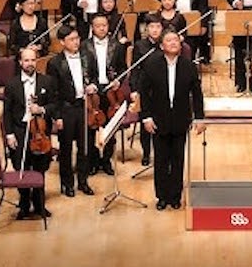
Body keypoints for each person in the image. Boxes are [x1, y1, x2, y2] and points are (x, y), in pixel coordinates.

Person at [140, 28, 205, 210]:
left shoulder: (188, 65)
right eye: (169, 40)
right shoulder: (152, 64)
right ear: (162, 46)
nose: (173, 43)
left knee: (178, 160)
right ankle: (162, 196)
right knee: (161, 160)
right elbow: (144, 93)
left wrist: (199, 117)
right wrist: (146, 117)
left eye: (176, 40)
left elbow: (197, 94)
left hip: (180, 118)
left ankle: (175, 196)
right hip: (158, 119)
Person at [2, 47, 58, 219]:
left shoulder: (47, 81)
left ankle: (40, 204)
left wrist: (41, 109)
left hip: (40, 132)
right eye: (26, 60)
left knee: (40, 168)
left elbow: (54, 105)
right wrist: (9, 134)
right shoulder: (12, 84)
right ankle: (24, 205)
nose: (30, 63)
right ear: (20, 62)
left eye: (33, 60)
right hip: (19, 130)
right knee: (22, 168)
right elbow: (7, 112)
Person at [49, 26, 98, 197]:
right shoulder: (54, 63)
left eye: (77, 38)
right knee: (66, 148)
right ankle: (67, 183)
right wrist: (57, 116)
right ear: (62, 42)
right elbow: (53, 93)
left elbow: (94, 76)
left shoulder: (87, 56)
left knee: (85, 147)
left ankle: (83, 181)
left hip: (84, 106)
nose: (76, 42)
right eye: (71, 39)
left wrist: (93, 85)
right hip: (66, 108)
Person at [85, 13, 126, 175]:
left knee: (110, 127)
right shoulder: (84, 46)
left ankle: (106, 160)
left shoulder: (117, 45)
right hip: (93, 92)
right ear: (92, 28)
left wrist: (118, 81)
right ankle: (93, 161)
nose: (102, 28)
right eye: (98, 26)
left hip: (111, 91)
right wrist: (89, 84)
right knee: (92, 127)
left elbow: (123, 68)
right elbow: (83, 69)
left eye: (104, 25)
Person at [131, 15, 164, 166]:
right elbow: (135, 69)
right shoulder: (140, 45)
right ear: (146, 29)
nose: (155, 30)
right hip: (145, 89)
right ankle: (146, 153)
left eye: (158, 27)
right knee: (145, 123)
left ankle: (160, 154)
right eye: (152, 27)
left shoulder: (165, 44)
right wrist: (134, 89)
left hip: (162, 89)